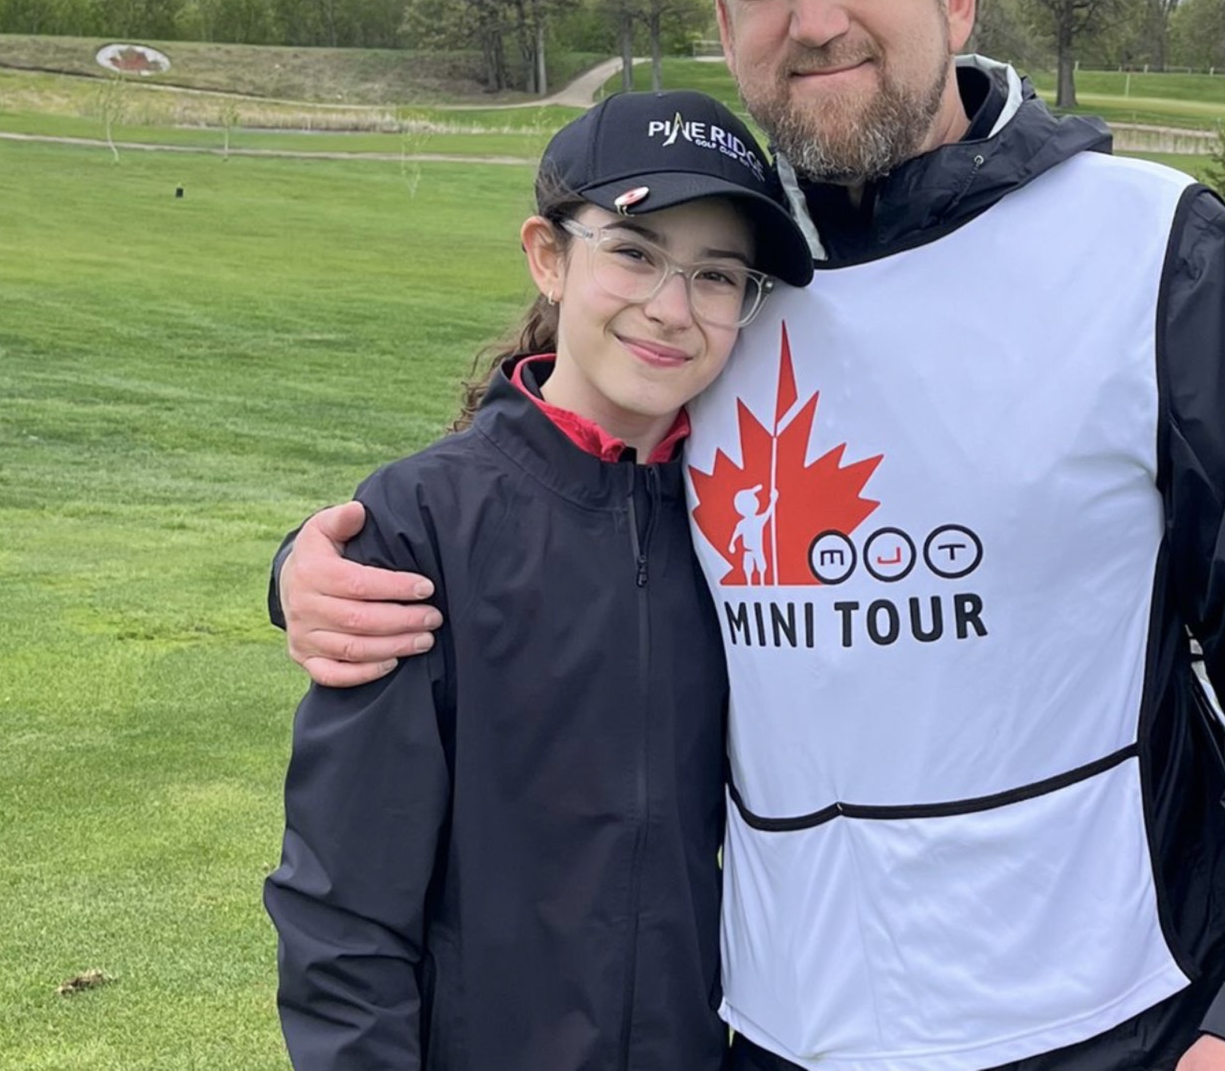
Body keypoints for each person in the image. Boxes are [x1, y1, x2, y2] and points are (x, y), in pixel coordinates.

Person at [275, 0, 1225, 1071]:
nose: (813, 18)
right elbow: (542, 489)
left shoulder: (1153, 248)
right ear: (727, 23)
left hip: (1114, 1021)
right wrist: (321, 566)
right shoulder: (722, 284)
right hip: (780, 1035)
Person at [263, 89, 814, 1070]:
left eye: (717, 276)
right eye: (634, 252)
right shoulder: (421, 527)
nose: (671, 308)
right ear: (549, 257)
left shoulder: (747, 527)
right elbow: (344, 908)